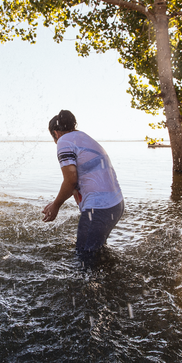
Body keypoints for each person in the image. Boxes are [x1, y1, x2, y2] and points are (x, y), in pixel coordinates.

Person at [42, 110, 124, 260]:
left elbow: (70, 180)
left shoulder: (64, 141)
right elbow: (79, 182)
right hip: (116, 205)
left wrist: (56, 205)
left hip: (100, 208)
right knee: (97, 252)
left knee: (83, 260)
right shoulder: (83, 137)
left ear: (56, 133)